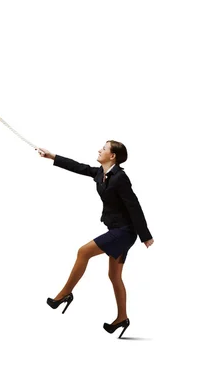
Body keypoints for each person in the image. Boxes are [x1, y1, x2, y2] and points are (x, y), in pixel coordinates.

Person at [36, 141, 154, 338]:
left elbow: (134, 206)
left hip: (125, 232)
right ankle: (122, 318)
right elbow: (78, 167)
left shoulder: (121, 178)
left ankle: (64, 294)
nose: (100, 150)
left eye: (104, 148)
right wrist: (52, 156)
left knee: (83, 252)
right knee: (114, 276)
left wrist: (146, 236)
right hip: (116, 229)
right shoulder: (101, 172)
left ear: (113, 156)